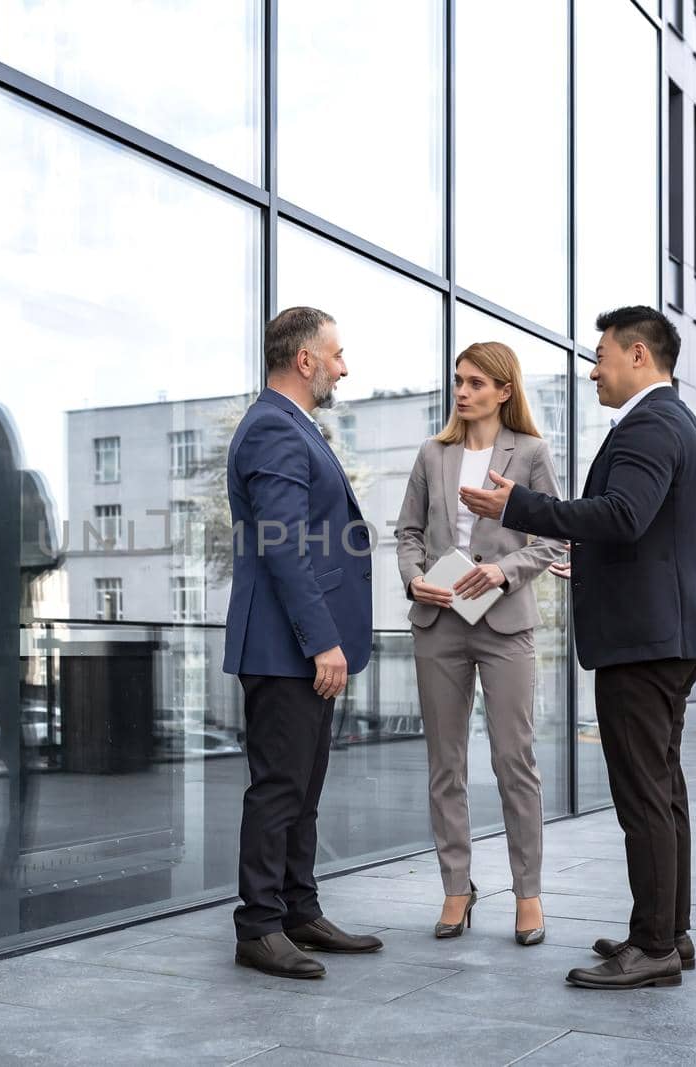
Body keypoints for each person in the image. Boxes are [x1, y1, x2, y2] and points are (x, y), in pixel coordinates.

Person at [460, 306, 696, 991]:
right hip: (668, 630)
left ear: (639, 355)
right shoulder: (681, 424)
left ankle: (654, 944)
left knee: (643, 794)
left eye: (601, 355)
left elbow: (623, 514)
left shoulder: (648, 424)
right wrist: (601, 564)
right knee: (663, 789)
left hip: (644, 640)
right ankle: (670, 930)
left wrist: (516, 505)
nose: (592, 368)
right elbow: (652, 532)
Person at [223, 306, 383, 979]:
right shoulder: (273, 429)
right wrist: (322, 641)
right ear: (305, 359)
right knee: (279, 788)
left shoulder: (292, 427)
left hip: (299, 648)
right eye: (337, 354)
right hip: (284, 649)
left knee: (304, 787)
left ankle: (298, 908)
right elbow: (284, 545)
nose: (344, 366)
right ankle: (258, 925)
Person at [395, 342, 564, 945]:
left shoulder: (533, 453)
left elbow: (554, 538)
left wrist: (504, 570)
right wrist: (414, 577)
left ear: (503, 390)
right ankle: (456, 888)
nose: (462, 392)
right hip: (438, 622)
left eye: (474, 383)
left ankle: (529, 894)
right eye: (458, 382)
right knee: (446, 763)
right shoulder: (431, 454)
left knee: (514, 759)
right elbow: (407, 533)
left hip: (504, 623)